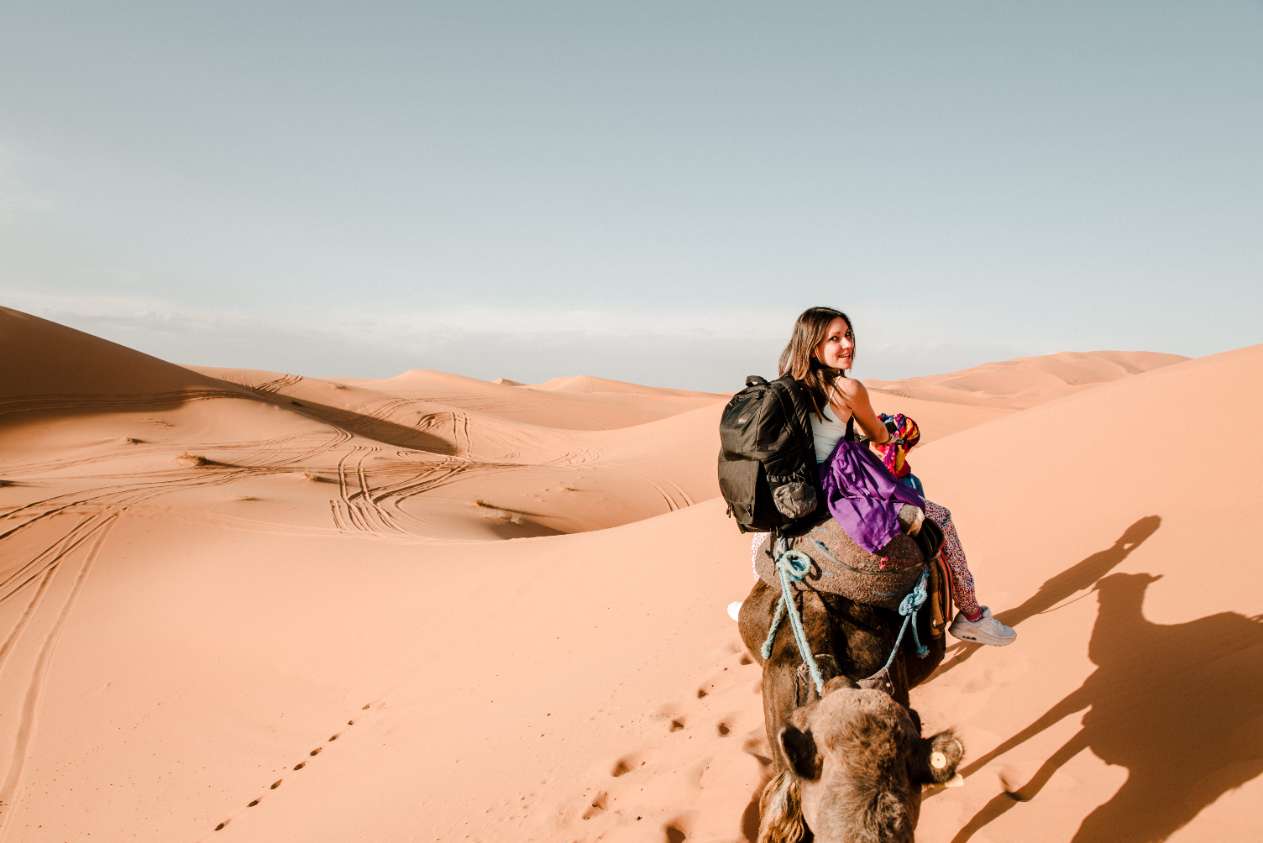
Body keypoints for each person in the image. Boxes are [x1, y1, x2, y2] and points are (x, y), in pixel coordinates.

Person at [778, 306, 1016, 647]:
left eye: (849, 335)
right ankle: (972, 616)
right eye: (835, 339)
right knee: (941, 519)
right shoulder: (847, 388)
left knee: (768, 539)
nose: (847, 344)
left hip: (797, 491)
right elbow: (876, 433)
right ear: (814, 346)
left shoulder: (785, 389)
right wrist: (891, 434)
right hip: (839, 487)